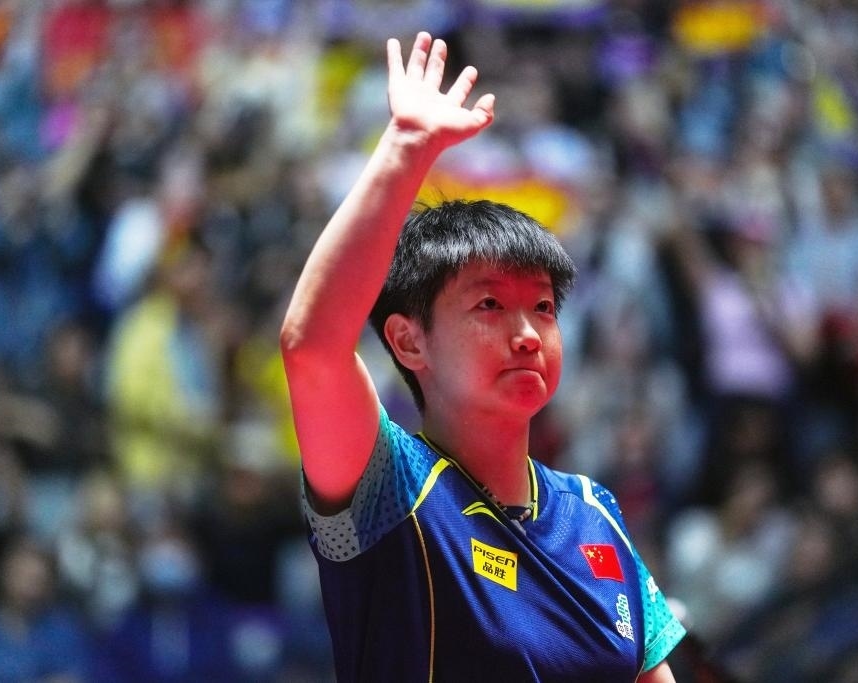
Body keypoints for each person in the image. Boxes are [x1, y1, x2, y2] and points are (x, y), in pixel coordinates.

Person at [280, 32, 685, 681]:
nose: (528, 334)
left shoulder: (594, 510)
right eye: (490, 305)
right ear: (409, 341)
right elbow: (312, 349)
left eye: (544, 307)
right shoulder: (389, 488)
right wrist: (405, 149)